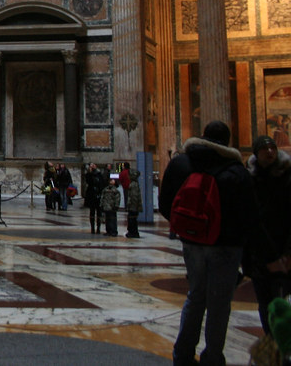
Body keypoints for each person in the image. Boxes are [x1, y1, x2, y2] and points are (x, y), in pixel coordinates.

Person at [159, 120, 258, 366]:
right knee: (219, 303)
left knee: (195, 297)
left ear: (203, 135)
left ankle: (182, 354)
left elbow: (165, 203)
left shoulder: (181, 162)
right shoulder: (237, 170)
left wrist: (187, 229)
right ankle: (213, 357)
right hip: (225, 246)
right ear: (228, 140)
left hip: (192, 242)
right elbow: (249, 215)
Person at [244, 135, 291, 335]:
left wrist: (287, 254)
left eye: (273, 147)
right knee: (264, 303)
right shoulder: (250, 179)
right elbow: (248, 221)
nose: (270, 151)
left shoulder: (288, 176)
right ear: (256, 153)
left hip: (285, 252)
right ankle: (272, 344)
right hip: (260, 255)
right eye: (265, 148)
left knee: (283, 303)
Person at [85, 163, 106, 234]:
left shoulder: (99, 174)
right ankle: (92, 228)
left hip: (98, 195)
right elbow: (88, 181)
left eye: (93, 165)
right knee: (92, 212)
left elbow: (102, 184)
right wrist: (90, 172)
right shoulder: (89, 174)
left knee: (99, 213)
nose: (92, 166)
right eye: (91, 165)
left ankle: (98, 227)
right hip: (92, 195)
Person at [125, 166, 142, 238]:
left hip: (133, 206)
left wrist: (132, 205)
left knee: (132, 219)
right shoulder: (134, 183)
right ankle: (133, 232)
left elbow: (134, 196)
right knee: (132, 219)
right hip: (133, 205)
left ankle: (133, 232)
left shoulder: (133, 184)